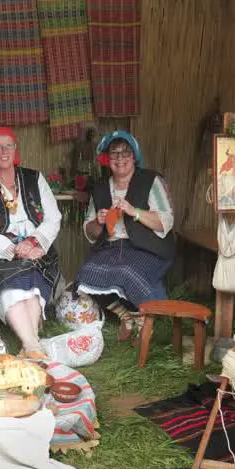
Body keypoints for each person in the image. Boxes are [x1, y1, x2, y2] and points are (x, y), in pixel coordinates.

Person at [0, 126, 62, 359]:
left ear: (15, 149)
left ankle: (29, 346)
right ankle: (33, 345)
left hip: (37, 249)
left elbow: (53, 218)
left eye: (8, 145)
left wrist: (33, 242)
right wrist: (14, 249)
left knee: (32, 289)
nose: (4, 151)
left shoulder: (35, 179)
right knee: (14, 287)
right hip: (0, 253)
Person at [75, 131, 176, 339]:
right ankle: (126, 316)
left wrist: (134, 212)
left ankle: (144, 319)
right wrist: (98, 222)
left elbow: (166, 220)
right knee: (85, 276)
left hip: (147, 247)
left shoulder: (150, 180)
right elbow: (90, 231)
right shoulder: (101, 188)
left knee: (126, 272)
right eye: (114, 154)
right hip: (112, 247)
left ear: (134, 156)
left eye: (125, 153)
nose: (120, 159)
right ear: (107, 159)